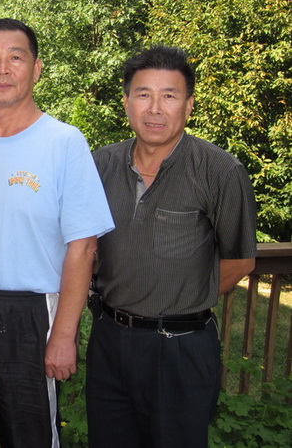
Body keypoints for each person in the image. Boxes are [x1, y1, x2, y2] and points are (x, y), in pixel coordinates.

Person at [0, 18, 115, 448]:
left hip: (29, 316)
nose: (2, 69)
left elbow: (83, 247)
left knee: (28, 437)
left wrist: (63, 335)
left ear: (36, 69)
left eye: (15, 57)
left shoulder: (65, 142)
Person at [86, 46, 258, 448]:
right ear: (126, 102)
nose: (155, 108)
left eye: (169, 95)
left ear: (188, 106)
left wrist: (176, 304)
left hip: (180, 348)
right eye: (143, 94)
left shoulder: (220, 170)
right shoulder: (99, 165)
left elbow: (240, 261)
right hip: (109, 340)